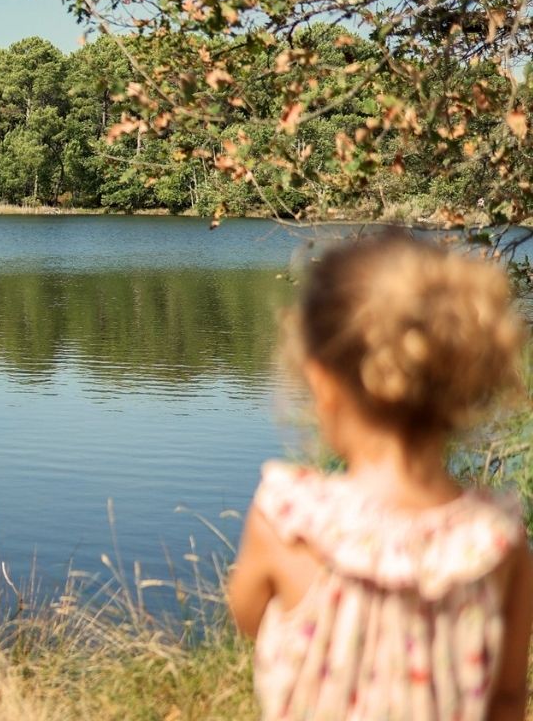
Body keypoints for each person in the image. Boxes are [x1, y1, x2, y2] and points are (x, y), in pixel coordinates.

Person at [227, 230, 533, 720]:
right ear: (460, 383)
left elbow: (246, 616)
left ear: (322, 381)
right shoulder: (495, 541)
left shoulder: (290, 521)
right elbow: (507, 698)